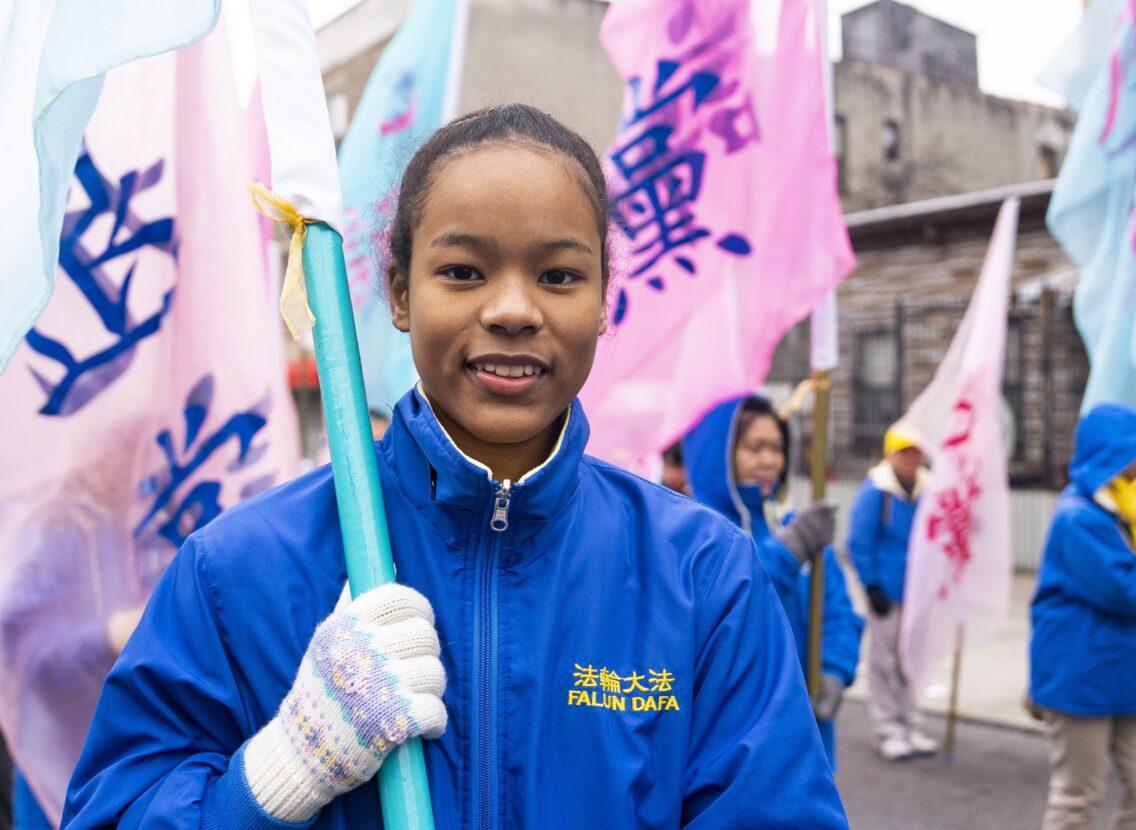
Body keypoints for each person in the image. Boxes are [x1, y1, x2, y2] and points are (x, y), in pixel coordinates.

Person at [62, 105, 847, 829]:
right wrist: (275, 777)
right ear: (400, 292)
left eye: (560, 275)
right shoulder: (237, 571)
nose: (512, 308)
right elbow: (116, 806)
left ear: (605, 301)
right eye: (464, 272)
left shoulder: (705, 575)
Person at [1030, 403, 1136, 830]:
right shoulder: (1079, 518)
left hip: (1128, 676)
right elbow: (1130, 592)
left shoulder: (1132, 508)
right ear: (1112, 456)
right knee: (1077, 798)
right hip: (1081, 677)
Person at [683, 395, 863, 768]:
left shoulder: (797, 526)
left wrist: (836, 669)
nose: (770, 461)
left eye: (777, 448)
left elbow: (838, 610)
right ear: (721, 454)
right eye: (755, 448)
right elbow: (728, 607)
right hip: (731, 736)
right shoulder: (694, 533)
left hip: (805, 730)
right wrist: (788, 551)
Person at [846, 424, 938, 761]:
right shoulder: (876, 491)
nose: (911, 458)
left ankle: (912, 723)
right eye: (904, 451)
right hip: (887, 590)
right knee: (884, 661)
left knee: (912, 661)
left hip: (919, 592)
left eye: (915, 451)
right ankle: (887, 728)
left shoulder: (928, 488)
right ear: (890, 454)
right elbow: (859, 541)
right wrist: (870, 585)